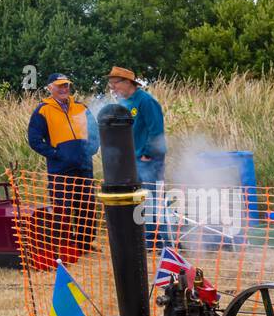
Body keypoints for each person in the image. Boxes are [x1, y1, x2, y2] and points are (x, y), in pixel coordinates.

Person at [26, 73, 99, 241]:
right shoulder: (42, 110)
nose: (64, 89)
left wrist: (91, 149)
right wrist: (56, 154)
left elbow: (95, 132)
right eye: (59, 86)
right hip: (60, 170)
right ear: (50, 88)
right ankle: (64, 245)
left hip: (84, 167)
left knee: (86, 208)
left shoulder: (81, 107)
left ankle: (85, 244)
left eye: (66, 85)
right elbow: (35, 140)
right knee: (62, 209)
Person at [106, 65, 170, 247]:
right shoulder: (124, 103)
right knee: (140, 200)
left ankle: (160, 241)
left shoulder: (146, 101)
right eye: (111, 86)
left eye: (115, 84)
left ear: (127, 82)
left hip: (149, 161)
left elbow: (156, 131)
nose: (113, 89)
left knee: (152, 199)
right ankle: (148, 239)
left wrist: (148, 154)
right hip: (133, 160)